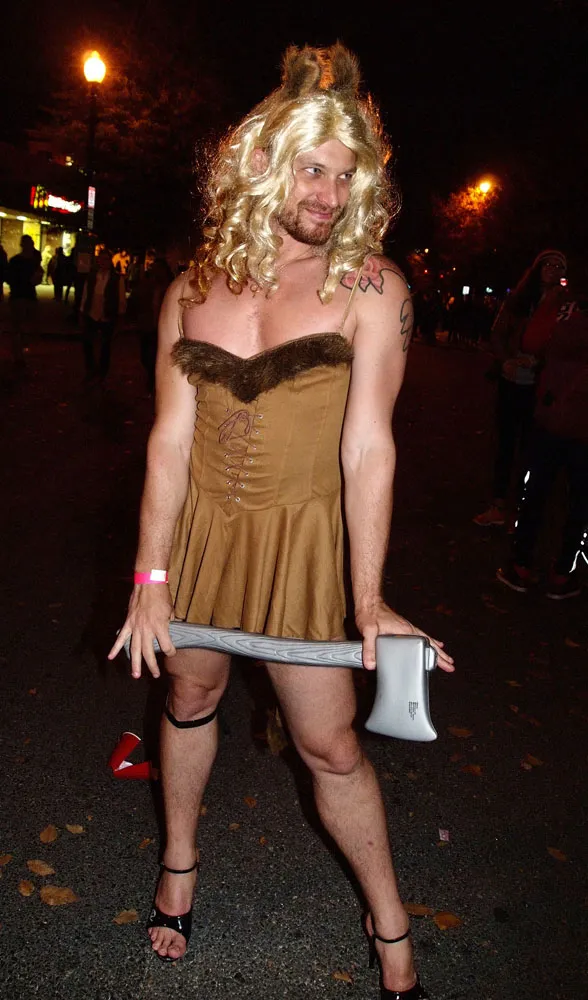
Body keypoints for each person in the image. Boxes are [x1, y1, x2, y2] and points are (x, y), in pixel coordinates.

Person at [109, 44, 454, 996]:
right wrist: (149, 578)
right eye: (313, 170)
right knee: (189, 700)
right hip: (201, 540)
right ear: (262, 162)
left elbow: (368, 449)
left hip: (302, 546)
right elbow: (169, 444)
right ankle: (179, 865)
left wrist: (368, 600)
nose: (331, 195)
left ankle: (391, 925)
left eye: (346, 177)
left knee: (330, 747)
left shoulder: (373, 289)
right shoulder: (191, 287)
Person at [497, 293, 588, 597]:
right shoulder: (566, 313)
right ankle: (562, 572)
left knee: (536, 491)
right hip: (574, 423)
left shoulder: (564, 315)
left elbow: (536, 345)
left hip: (552, 416)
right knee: (579, 502)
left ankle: (522, 563)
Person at [474, 250, 568, 527]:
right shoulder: (518, 299)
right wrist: (506, 360)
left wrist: (539, 361)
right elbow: (498, 333)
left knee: (531, 448)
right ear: (538, 267)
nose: (552, 268)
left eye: (558, 266)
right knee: (505, 443)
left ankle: (520, 507)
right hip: (511, 379)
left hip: (539, 385)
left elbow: (563, 343)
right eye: (548, 263)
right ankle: (498, 503)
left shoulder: (564, 305)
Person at [80, 248, 126, 382]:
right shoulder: (92, 277)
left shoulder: (116, 278)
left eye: (106, 259)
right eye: (101, 259)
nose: (103, 262)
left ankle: (102, 371)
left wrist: (120, 315)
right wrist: (82, 311)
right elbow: (86, 295)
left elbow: (121, 298)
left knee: (106, 345)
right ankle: (91, 368)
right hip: (92, 313)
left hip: (107, 314)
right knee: (87, 342)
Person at [133, 257, 174, 394]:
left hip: (160, 326)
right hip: (148, 324)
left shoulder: (168, 287)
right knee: (146, 355)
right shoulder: (148, 284)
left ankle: (154, 383)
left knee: (155, 356)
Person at [6, 234, 42, 366]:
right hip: (21, 297)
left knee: (22, 327)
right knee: (20, 327)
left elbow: (9, 278)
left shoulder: (24, 261)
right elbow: (10, 278)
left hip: (25, 296)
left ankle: (19, 353)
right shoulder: (18, 261)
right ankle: (18, 354)